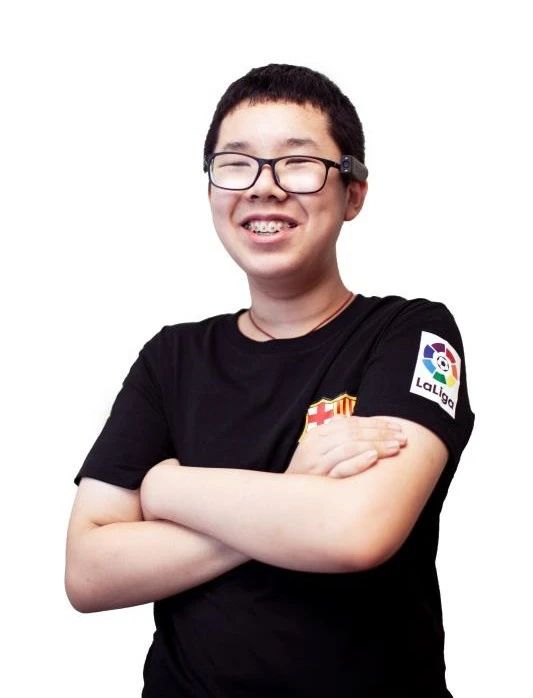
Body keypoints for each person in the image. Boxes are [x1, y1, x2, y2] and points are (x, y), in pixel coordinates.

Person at [65, 63, 475, 697]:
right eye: (236, 164)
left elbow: (355, 532)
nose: (264, 187)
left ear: (354, 194)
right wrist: (293, 492)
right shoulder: (170, 359)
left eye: (298, 164)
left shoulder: (411, 334)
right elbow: (89, 573)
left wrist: (165, 486)